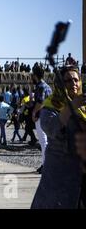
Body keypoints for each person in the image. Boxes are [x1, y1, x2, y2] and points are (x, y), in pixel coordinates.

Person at [31, 66, 86, 209]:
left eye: (76, 80)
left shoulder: (84, 107)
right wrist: (71, 107)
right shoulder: (51, 106)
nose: (73, 83)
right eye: (68, 80)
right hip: (60, 173)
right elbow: (51, 128)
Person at [32, 66, 53, 174]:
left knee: (43, 141)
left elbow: (40, 102)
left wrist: (34, 113)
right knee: (48, 141)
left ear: (35, 75)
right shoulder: (48, 86)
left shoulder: (40, 86)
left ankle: (46, 165)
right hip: (50, 115)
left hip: (42, 115)